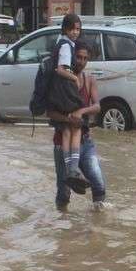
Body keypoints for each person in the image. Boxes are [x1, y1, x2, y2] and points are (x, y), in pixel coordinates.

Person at [47, 40, 108, 210]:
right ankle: (63, 225)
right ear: (72, 57)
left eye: (85, 58)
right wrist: (68, 119)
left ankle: (97, 225)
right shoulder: (60, 80)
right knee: (64, 192)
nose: (81, 61)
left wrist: (81, 112)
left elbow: (97, 106)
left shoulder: (89, 80)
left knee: (98, 183)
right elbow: (49, 112)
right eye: (78, 57)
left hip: (85, 141)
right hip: (62, 142)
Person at [47, 13, 89, 192]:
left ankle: (69, 169)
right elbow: (60, 70)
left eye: (78, 29)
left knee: (66, 130)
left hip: (57, 92)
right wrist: (75, 79)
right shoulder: (65, 47)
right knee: (76, 127)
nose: (75, 32)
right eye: (72, 29)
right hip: (65, 90)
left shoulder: (60, 43)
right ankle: (72, 168)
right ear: (65, 29)